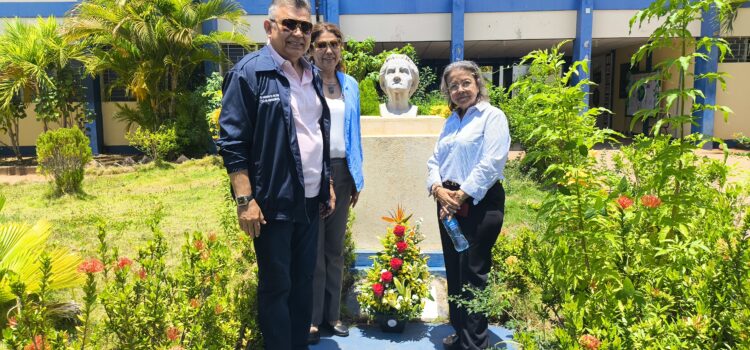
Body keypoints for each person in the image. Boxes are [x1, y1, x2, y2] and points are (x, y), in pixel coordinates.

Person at [216, 0, 335, 349]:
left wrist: (326, 180)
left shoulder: (311, 74)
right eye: (289, 25)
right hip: (272, 204)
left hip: (310, 201)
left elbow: (316, 133)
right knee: (276, 286)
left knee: (302, 283)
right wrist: (244, 200)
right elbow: (233, 141)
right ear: (269, 28)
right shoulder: (249, 73)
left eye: (305, 27)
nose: (298, 33)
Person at [426, 60, 510, 350]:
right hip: (448, 206)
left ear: (477, 84)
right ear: (447, 91)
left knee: (473, 272)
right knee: (455, 268)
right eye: (453, 86)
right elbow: (434, 161)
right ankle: (461, 331)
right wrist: (437, 189)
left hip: (479, 203)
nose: (460, 90)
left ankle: (475, 343)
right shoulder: (451, 121)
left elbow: (491, 162)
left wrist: (459, 196)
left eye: (465, 83)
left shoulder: (492, 116)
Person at [306, 22, 364, 345]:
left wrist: (357, 175)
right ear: (312, 49)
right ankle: (313, 320)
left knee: (334, 249)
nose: (328, 51)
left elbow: (354, 132)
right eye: (322, 44)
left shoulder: (351, 84)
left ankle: (333, 315)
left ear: (340, 48)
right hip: (314, 173)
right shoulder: (305, 81)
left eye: (334, 44)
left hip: (343, 172)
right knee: (314, 251)